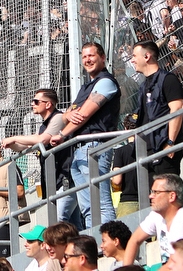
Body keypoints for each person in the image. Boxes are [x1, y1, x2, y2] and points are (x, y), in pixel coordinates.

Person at [50, 42, 120, 227]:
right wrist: (67, 115)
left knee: (101, 203)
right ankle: (95, 244)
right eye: (84, 57)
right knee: (88, 208)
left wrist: (62, 134)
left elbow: (83, 114)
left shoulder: (106, 82)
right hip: (79, 150)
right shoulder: (85, 88)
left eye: (91, 56)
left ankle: (107, 243)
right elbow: (67, 115)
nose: (87, 60)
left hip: (95, 146)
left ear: (103, 57)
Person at [2, 88, 81, 229]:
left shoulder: (58, 118)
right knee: (74, 225)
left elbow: (41, 140)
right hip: (55, 180)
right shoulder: (44, 125)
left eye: (36, 101)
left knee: (59, 222)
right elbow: (27, 146)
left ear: (48, 104)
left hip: (65, 179)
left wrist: (14, 138)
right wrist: (11, 145)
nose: (33, 104)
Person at [130, 40, 183, 176]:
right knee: (152, 195)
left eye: (134, 56)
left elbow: (176, 110)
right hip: (147, 148)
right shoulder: (143, 86)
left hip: (163, 146)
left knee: (166, 190)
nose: (132, 60)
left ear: (147, 56)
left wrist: (170, 142)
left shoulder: (168, 79)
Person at [124, 174, 183, 265]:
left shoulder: (182, 221)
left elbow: (174, 264)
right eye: (152, 192)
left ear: (171, 196)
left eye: (156, 192)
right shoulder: (156, 216)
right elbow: (134, 240)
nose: (151, 196)